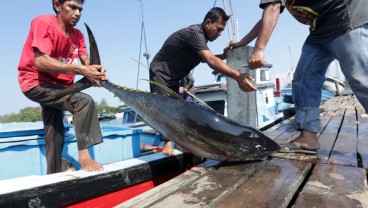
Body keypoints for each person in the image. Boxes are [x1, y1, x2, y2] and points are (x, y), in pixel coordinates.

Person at [231, 0, 368, 153]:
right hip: (320, 29)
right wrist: (243, 42)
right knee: (303, 80)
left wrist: (259, 49)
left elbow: (273, 8)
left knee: (362, 77)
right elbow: (265, 18)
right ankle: (308, 136)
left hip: (345, 15)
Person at [149, 7, 257, 155]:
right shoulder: (195, 33)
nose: (219, 34)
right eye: (218, 29)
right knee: (164, 108)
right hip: (161, 73)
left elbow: (207, 58)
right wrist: (238, 76)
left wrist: (225, 55)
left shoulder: (201, 40)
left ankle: (181, 142)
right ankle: (168, 144)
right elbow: (211, 60)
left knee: (176, 109)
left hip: (174, 78)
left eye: (221, 31)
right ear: (208, 22)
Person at [18, 0, 108, 174]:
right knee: (83, 101)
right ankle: (85, 158)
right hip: (35, 82)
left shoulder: (79, 36)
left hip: (61, 87)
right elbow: (40, 61)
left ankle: (54, 172)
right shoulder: (43, 22)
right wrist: (83, 70)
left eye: (80, 9)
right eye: (72, 7)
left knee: (54, 130)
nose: (77, 13)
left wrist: (95, 72)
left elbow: (87, 63)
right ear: (57, 5)